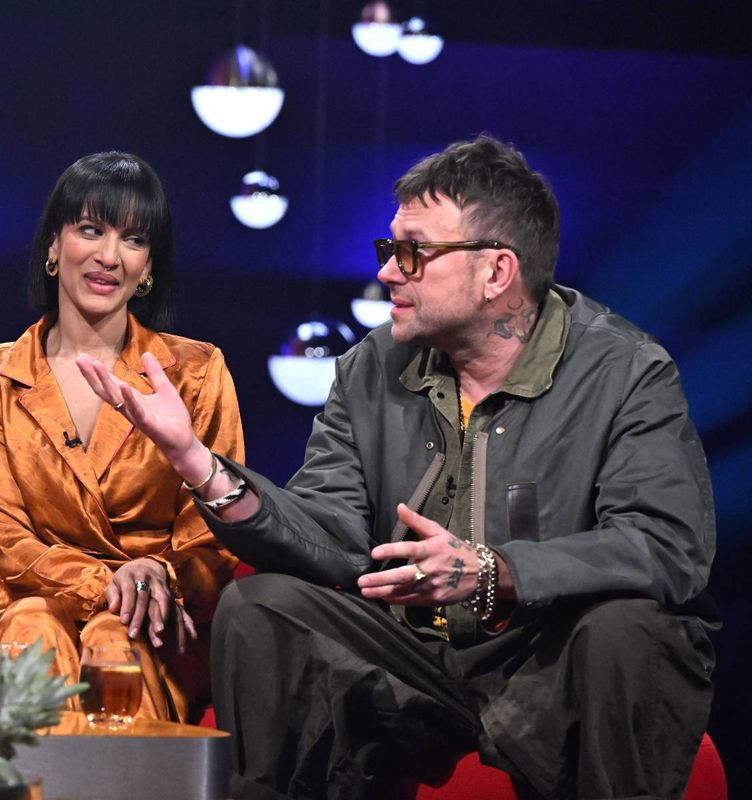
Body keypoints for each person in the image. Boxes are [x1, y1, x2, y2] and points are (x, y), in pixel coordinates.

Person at [78, 135, 716, 799]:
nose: (387, 272)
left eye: (412, 253)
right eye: (390, 251)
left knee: (629, 626)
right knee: (261, 606)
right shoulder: (370, 367)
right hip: (419, 658)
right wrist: (197, 463)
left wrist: (498, 573)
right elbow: (330, 531)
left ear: (497, 272)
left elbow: (667, 545)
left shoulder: (624, 372)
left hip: (550, 660)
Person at [0, 151, 244, 722]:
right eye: (90, 230)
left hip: (156, 620)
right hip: (37, 606)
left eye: (133, 239)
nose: (109, 256)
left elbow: (213, 541)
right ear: (54, 247)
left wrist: (156, 580)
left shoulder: (197, 372)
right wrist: (108, 581)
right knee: (32, 627)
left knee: (115, 641)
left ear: (149, 265)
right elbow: (9, 543)